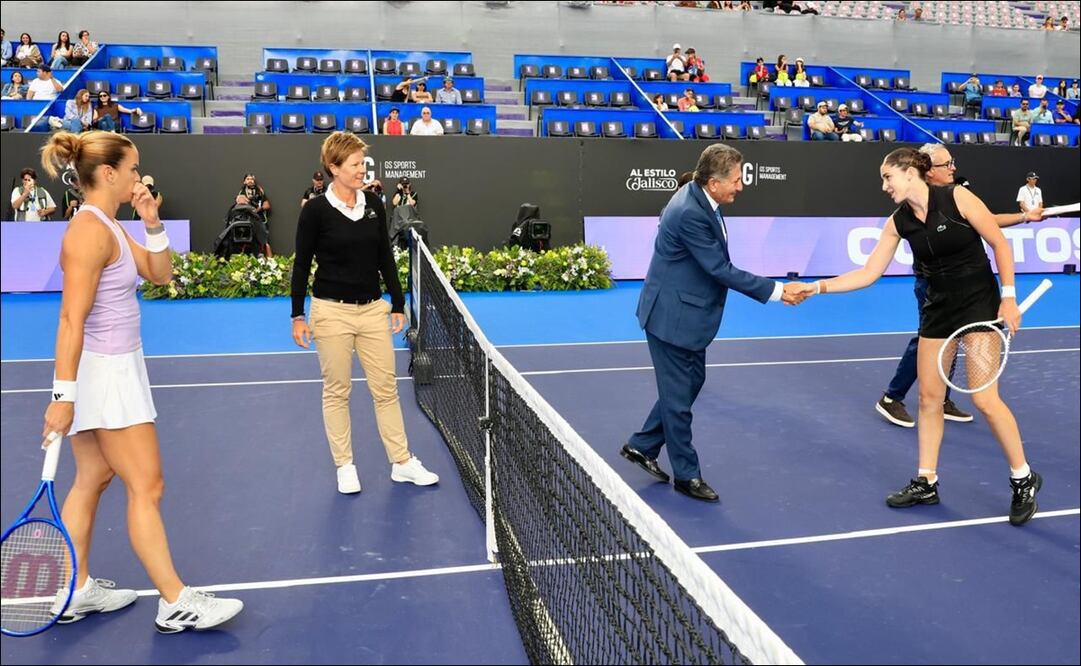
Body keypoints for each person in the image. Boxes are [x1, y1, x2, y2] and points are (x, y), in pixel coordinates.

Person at [38, 130, 244, 631]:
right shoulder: (88, 231)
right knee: (147, 485)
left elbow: (159, 273)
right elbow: (71, 318)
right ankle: (175, 601)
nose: (139, 177)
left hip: (110, 369)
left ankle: (74, 590)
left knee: (93, 477)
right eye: (132, 169)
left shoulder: (107, 223)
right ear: (108, 174)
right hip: (105, 374)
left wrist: (152, 223)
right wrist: (63, 397)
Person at [788, 147, 1042, 526]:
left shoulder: (956, 196)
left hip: (979, 307)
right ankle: (927, 481)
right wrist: (817, 287)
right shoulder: (899, 221)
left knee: (985, 399)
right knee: (928, 399)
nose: (884, 185)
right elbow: (868, 273)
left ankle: (1023, 478)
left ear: (910, 172)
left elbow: (999, 244)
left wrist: (1009, 299)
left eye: (887, 177)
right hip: (938, 310)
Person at [620, 144, 805, 503]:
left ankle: (641, 445)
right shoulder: (690, 211)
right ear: (714, 182)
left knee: (691, 383)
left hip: (682, 313)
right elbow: (719, 269)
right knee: (678, 401)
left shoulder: (700, 197)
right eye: (736, 180)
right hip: (671, 317)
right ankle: (687, 476)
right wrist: (778, 291)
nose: (741, 186)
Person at [289, 131, 439, 494]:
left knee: (386, 390)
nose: (362, 169)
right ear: (333, 167)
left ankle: (401, 462)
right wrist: (297, 314)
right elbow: (302, 264)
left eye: (362, 163)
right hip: (331, 313)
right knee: (337, 391)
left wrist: (399, 304)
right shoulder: (315, 211)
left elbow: (384, 257)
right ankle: (345, 466)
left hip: (373, 311)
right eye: (356, 164)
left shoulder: (373, 203)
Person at [875, 144, 1045, 429]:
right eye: (947, 164)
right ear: (926, 171)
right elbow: (871, 271)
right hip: (932, 285)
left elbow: (987, 222)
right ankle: (893, 397)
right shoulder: (907, 212)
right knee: (929, 341)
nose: (953, 168)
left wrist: (1025, 216)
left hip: (969, 290)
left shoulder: (958, 192)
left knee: (949, 347)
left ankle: (940, 398)